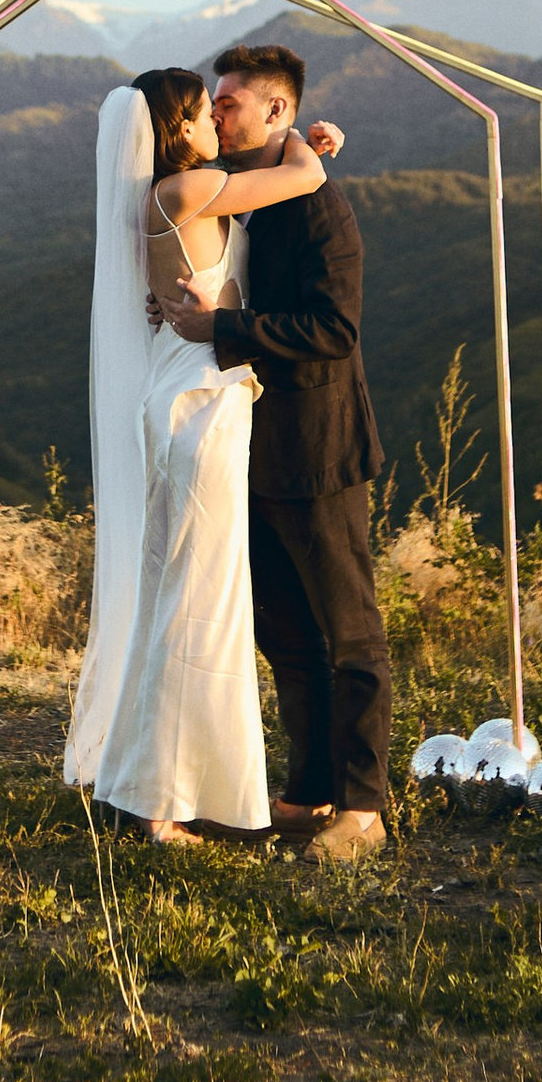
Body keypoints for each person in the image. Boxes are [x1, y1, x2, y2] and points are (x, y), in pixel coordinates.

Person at [69, 68, 338, 838]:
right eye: (207, 115)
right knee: (199, 606)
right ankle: (162, 805)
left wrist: (303, 141)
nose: (221, 126)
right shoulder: (189, 192)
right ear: (180, 129)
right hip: (204, 408)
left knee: (176, 598)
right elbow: (303, 176)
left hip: (177, 395)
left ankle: (140, 784)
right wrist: (305, 138)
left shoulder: (162, 199)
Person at [151, 42, 391, 863]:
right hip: (247, 444)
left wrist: (220, 327)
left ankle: (363, 808)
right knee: (287, 634)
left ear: (276, 111)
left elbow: (335, 331)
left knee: (349, 628)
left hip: (318, 443)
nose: (216, 113)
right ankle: (309, 789)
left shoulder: (320, 210)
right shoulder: (251, 190)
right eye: (213, 103)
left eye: (230, 103)